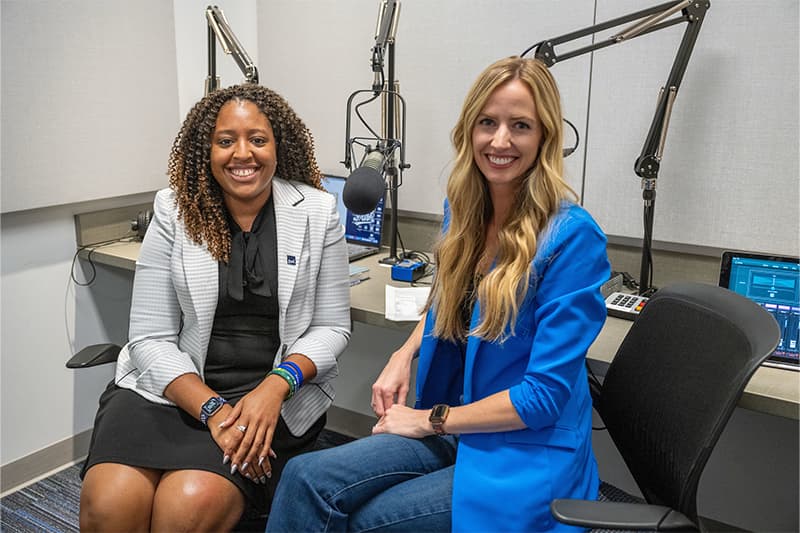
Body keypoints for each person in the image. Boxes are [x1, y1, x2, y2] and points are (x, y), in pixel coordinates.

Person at [265, 56, 611, 533]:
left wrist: (431, 420)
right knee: (306, 477)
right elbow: (449, 298)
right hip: (455, 421)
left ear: (545, 138)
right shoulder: (465, 208)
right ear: (469, 129)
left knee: (366, 521)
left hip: (523, 449)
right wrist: (403, 353)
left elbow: (542, 398)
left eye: (521, 126)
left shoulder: (572, 238)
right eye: (488, 122)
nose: (501, 140)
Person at [79, 84, 351, 532]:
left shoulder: (317, 211)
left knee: (186, 505)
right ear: (205, 149)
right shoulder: (175, 209)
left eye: (257, 140)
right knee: (111, 502)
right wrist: (213, 410)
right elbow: (149, 338)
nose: (242, 153)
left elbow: (332, 328)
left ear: (278, 145)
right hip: (170, 388)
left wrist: (275, 385)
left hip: (266, 399)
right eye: (225, 141)